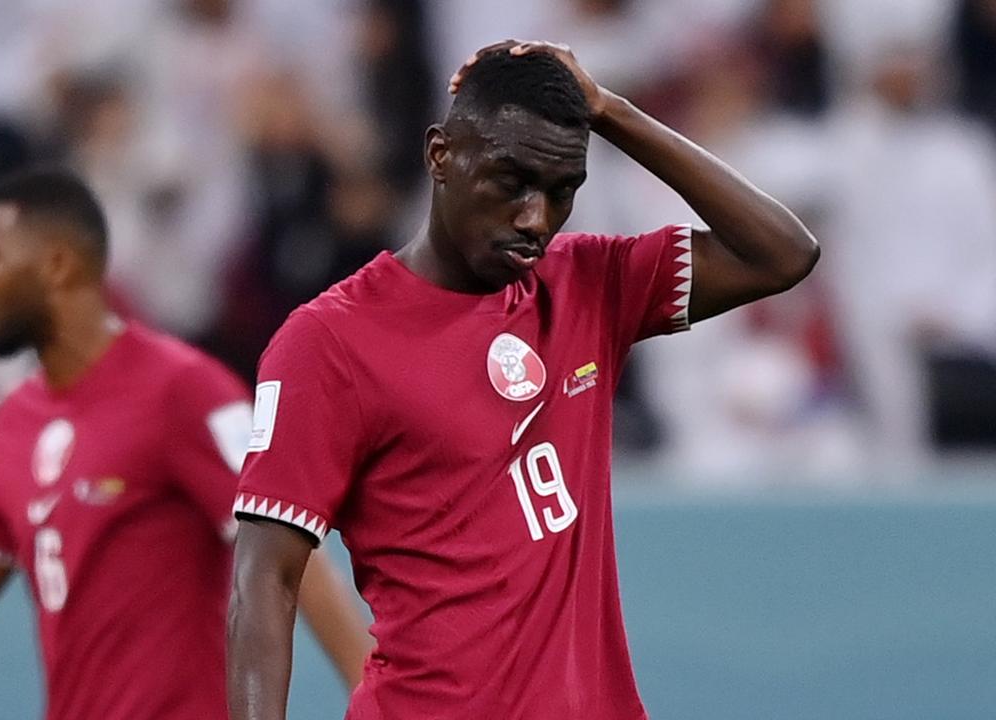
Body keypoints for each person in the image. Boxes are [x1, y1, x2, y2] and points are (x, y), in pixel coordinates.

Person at [228, 41, 819, 719]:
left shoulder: (589, 287)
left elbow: (783, 254)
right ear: (441, 156)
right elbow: (264, 579)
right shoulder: (329, 341)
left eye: (562, 191)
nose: (536, 218)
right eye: (512, 182)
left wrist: (610, 111)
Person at [0, 168, 371, 720]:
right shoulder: (16, 421)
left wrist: (380, 705)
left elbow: (293, 558)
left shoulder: (183, 391)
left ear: (56, 264)